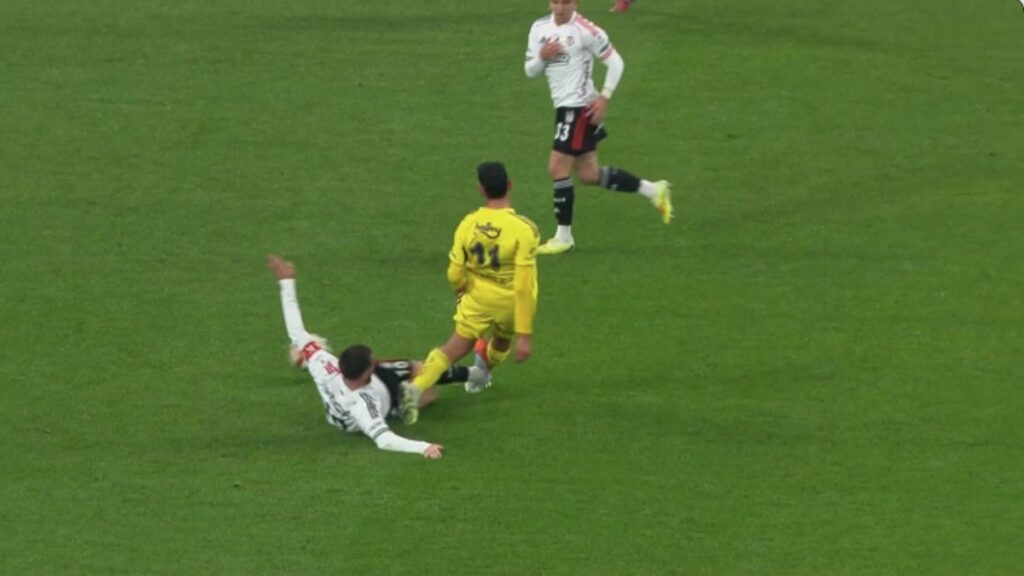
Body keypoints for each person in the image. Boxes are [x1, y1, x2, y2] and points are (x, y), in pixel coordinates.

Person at [267, 255, 488, 458]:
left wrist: (286, 282)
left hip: (364, 389)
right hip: (388, 402)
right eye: (372, 362)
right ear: (367, 372)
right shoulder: (364, 404)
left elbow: (297, 332)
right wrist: (424, 447)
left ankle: (476, 374)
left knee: (418, 368)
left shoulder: (325, 366)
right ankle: (473, 377)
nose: (376, 362)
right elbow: (384, 440)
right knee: (429, 393)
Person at [524, 0, 673, 255]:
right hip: (564, 106)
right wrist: (541, 57)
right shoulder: (538, 28)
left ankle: (563, 237)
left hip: (579, 107)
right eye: (556, 2)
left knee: (557, 166)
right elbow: (530, 70)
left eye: (566, 2)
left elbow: (616, 62)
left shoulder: (586, 30)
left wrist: (604, 97)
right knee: (589, 174)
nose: (560, 8)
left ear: (575, 3)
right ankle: (653, 190)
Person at [401, 162, 540, 425]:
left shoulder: (468, 224)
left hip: (476, 299)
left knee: (450, 350)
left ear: (481, 190)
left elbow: (454, 272)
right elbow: (523, 286)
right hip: (510, 304)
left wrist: (460, 291)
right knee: (502, 340)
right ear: (510, 185)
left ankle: (416, 387)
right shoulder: (525, 229)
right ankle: (482, 373)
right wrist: (525, 335)